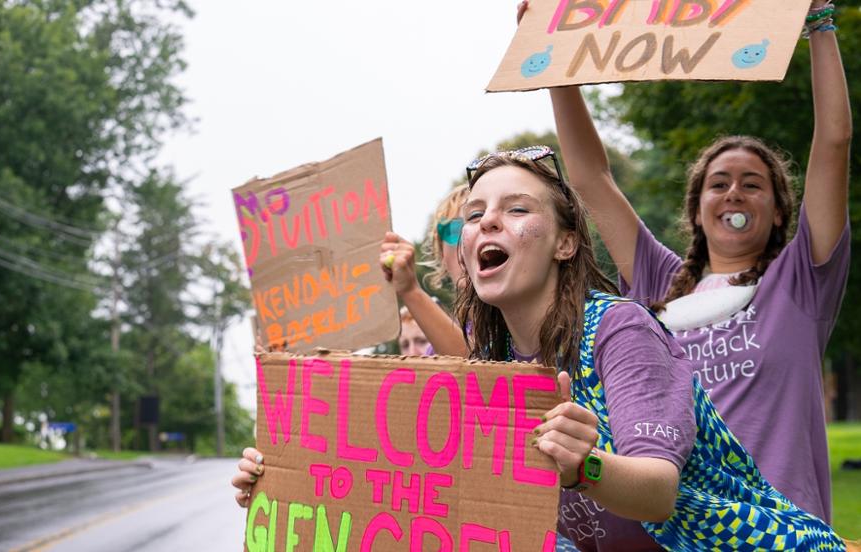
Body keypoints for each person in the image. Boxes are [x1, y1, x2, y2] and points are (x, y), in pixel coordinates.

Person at [234, 148, 852, 550]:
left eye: (516, 209)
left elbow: (657, 491)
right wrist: (289, 476)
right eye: (475, 214)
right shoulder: (500, 361)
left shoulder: (620, 331)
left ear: (564, 244)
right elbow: (408, 476)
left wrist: (585, 467)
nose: (487, 222)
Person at [529, 0, 851, 523]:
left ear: (778, 212)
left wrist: (820, 22)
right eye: (718, 184)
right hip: (682, 532)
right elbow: (590, 178)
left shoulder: (801, 280)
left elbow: (834, 143)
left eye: (753, 185)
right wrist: (557, 56)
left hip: (778, 532)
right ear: (697, 209)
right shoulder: (658, 281)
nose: (734, 193)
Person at [379, 185, 471, 356]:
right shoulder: (434, 354)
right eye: (454, 230)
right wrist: (409, 290)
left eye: (478, 221)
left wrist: (411, 291)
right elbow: (470, 366)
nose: (468, 241)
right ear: (442, 255)